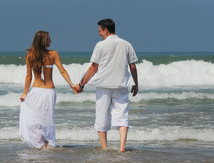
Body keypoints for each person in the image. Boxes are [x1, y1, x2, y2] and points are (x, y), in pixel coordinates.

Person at [75, 19, 138, 152]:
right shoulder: (126, 44)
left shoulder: (100, 45)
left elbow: (93, 67)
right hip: (121, 85)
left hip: (103, 86)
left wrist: (81, 84)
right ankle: (122, 147)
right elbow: (132, 66)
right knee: (122, 116)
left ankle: (105, 148)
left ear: (106, 30)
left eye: (100, 31)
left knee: (101, 116)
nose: (99, 34)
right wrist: (135, 84)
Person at [19, 31, 78, 149]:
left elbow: (29, 77)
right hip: (49, 92)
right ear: (43, 41)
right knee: (47, 120)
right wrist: (71, 84)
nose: (51, 41)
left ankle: (40, 145)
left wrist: (25, 93)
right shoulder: (53, 54)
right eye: (49, 39)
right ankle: (47, 144)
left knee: (34, 119)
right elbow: (63, 70)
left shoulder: (30, 55)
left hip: (36, 91)